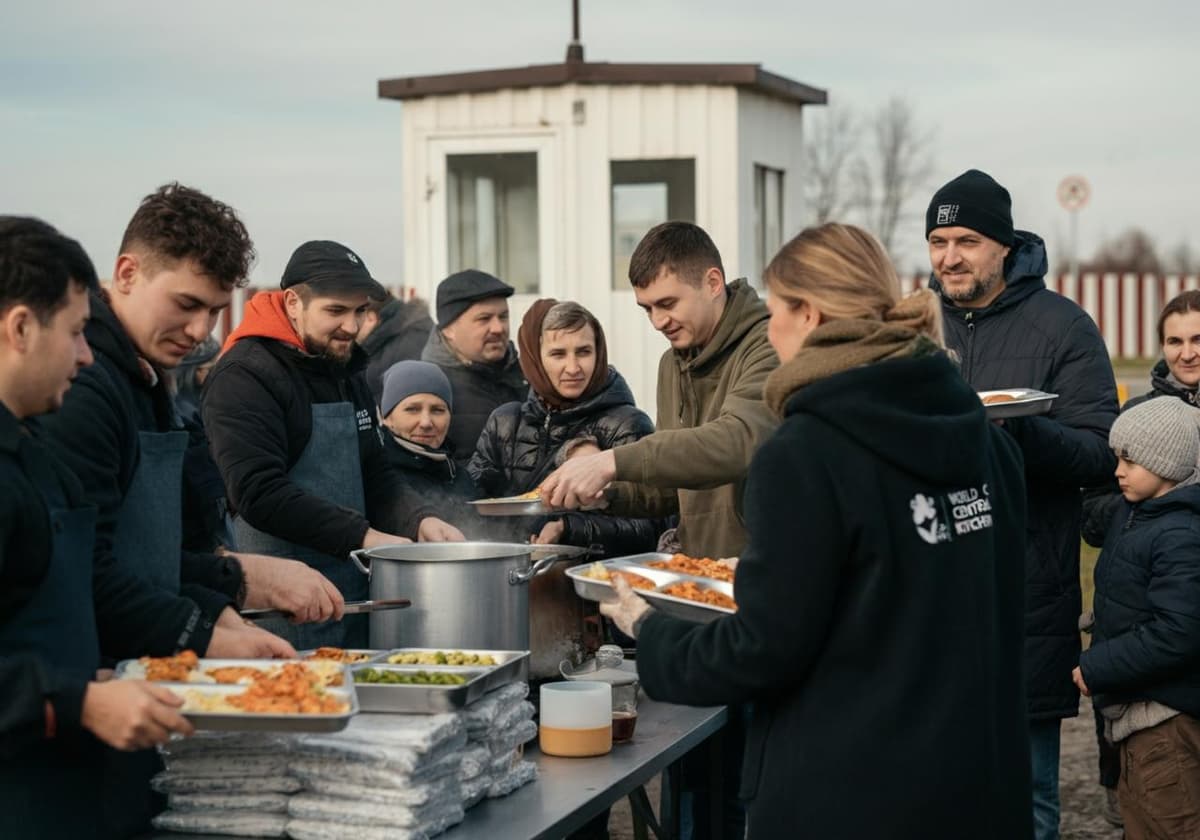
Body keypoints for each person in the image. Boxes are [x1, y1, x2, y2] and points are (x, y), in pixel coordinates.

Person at [600, 223, 1033, 839]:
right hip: (976, 788)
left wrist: (651, 631)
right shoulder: (988, 444)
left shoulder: (807, 455)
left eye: (775, 312)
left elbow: (763, 649)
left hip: (852, 796)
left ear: (807, 315)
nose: (770, 333)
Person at [0, 217, 283, 838]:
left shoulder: (38, 440)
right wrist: (78, 698)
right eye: (75, 333)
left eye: (214, 310)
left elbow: (63, 586)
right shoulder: (84, 400)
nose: (83, 353)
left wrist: (216, 601)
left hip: (79, 768)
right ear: (20, 328)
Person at [541, 222, 779, 839]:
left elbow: (737, 443)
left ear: (713, 281)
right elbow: (678, 481)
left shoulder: (767, 344)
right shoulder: (677, 362)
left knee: (751, 789)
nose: (657, 322)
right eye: (647, 308)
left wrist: (616, 459)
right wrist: (593, 491)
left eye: (667, 304)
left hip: (764, 599)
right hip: (698, 601)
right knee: (696, 780)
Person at [34, 184, 336, 632]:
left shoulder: (150, 377)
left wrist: (219, 610)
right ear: (127, 274)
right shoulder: (83, 388)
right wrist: (216, 614)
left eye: (214, 310)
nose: (200, 330)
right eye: (186, 304)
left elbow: (159, 556)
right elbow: (85, 569)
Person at [925, 169, 1119, 840]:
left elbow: (1100, 453)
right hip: (925, 591)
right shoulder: (911, 325)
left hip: (1025, 589)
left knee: (1028, 796)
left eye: (968, 240)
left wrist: (1022, 429)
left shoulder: (1063, 326)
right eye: (939, 240)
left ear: (1004, 245)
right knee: (933, 790)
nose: (950, 256)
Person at [203, 239, 465, 649]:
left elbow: (375, 472)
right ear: (292, 303)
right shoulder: (244, 375)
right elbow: (257, 492)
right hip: (283, 609)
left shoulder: (343, 366)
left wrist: (419, 520)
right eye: (336, 311)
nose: (352, 326)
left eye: (360, 311)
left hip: (351, 595)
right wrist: (366, 537)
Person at [1079, 289, 1200, 825]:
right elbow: (1098, 506)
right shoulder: (1139, 417)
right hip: (1145, 622)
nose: (1186, 352)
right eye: (1175, 340)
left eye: (1198, 339)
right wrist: (1141, 511)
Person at [469, 299, 661, 554]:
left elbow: (650, 527)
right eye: (558, 354)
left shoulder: (626, 424)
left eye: (584, 352)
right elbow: (468, 499)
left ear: (599, 352)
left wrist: (568, 528)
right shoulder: (505, 422)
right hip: (508, 577)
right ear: (535, 359)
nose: (573, 368)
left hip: (594, 584)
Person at [421, 269, 526, 466]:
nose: (498, 328)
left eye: (503, 317)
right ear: (449, 329)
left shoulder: (528, 376)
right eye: (484, 319)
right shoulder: (428, 389)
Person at [378, 360, 483, 535]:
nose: (426, 422)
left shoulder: (459, 477)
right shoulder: (378, 479)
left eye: (437, 410)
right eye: (412, 409)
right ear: (386, 417)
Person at [359, 290, 435, 403]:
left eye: (357, 315)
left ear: (370, 318)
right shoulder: (391, 336)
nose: (351, 326)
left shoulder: (410, 341)